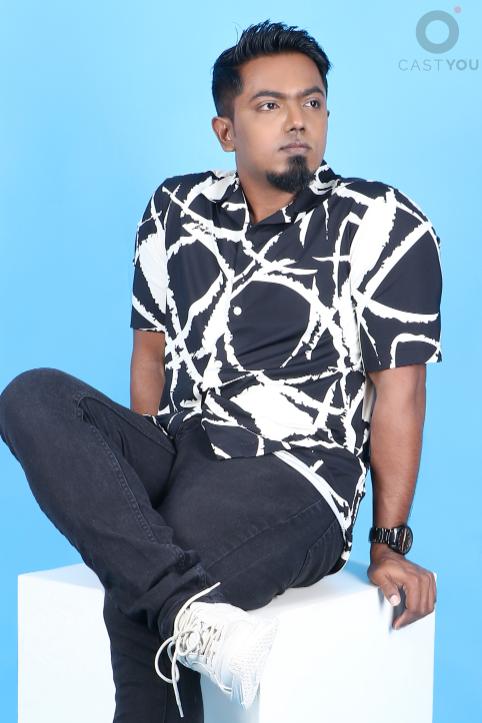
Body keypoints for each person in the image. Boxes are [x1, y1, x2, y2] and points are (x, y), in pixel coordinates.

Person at [0, 18, 441, 723]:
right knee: (30, 395)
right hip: (181, 448)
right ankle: (188, 609)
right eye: (270, 105)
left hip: (297, 473)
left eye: (313, 102)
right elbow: (150, 353)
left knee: (137, 600)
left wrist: (389, 546)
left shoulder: (383, 222)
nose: (297, 121)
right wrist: (136, 491)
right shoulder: (174, 209)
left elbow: (402, 393)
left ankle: (172, 602)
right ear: (225, 130)